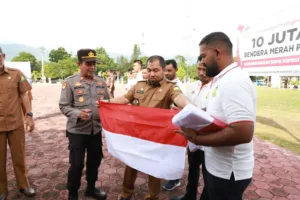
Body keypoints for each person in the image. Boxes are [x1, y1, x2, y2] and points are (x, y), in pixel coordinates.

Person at [176, 32, 256, 200]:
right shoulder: (221, 79)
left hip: (228, 173)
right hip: (218, 167)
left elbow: (243, 132)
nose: (202, 61)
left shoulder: (233, 81)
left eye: (204, 56)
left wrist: (197, 139)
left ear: (218, 53)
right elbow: (221, 114)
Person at [99, 55, 190, 200]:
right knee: (131, 162)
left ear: (163, 70)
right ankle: (126, 192)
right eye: (149, 70)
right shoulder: (139, 85)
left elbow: (178, 97)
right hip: (137, 134)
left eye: (156, 70)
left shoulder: (170, 87)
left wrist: (188, 105)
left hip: (156, 137)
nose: (152, 74)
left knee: (154, 167)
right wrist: (107, 102)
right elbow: (125, 98)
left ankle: (152, 196)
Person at [59, 49, 109, 200]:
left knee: (94, 161)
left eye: (94, 64)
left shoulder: (101, 82)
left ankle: (91, 188)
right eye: (88, 63)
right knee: (77, 164)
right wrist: (77, 114)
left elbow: (107, 103)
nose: (92, 67)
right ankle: (73, 192)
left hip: (96, 130)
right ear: (79, 64)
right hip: (77, 131)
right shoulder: (70, 82)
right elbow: (63, 106)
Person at [170, 57, 211, 200]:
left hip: (209, 138)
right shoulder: (193, 86)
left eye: (204, 69)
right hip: (192, 138)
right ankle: (189, 195)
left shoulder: (217, 87)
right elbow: (183, 105)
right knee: (193, 168)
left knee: (208, 173)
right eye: (199, 69)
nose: (201, 73)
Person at [0, 47, 36, 200]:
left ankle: (24, 185)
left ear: (3, 56)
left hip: (16, 124)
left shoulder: (16, 74)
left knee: (19, 157)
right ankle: (2, 189)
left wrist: (29, 115)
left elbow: (24, 95)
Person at [163, 59, 187, 191]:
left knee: (175, 152)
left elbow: (184, 107)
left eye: (169, 70)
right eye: (165, 70)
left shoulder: (180, 86)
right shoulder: (163, 84)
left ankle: (175, 179)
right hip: (165, 124)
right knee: (166, 151)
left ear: (176, 70)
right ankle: (168, 174)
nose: (166, 73)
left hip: (177, 125)